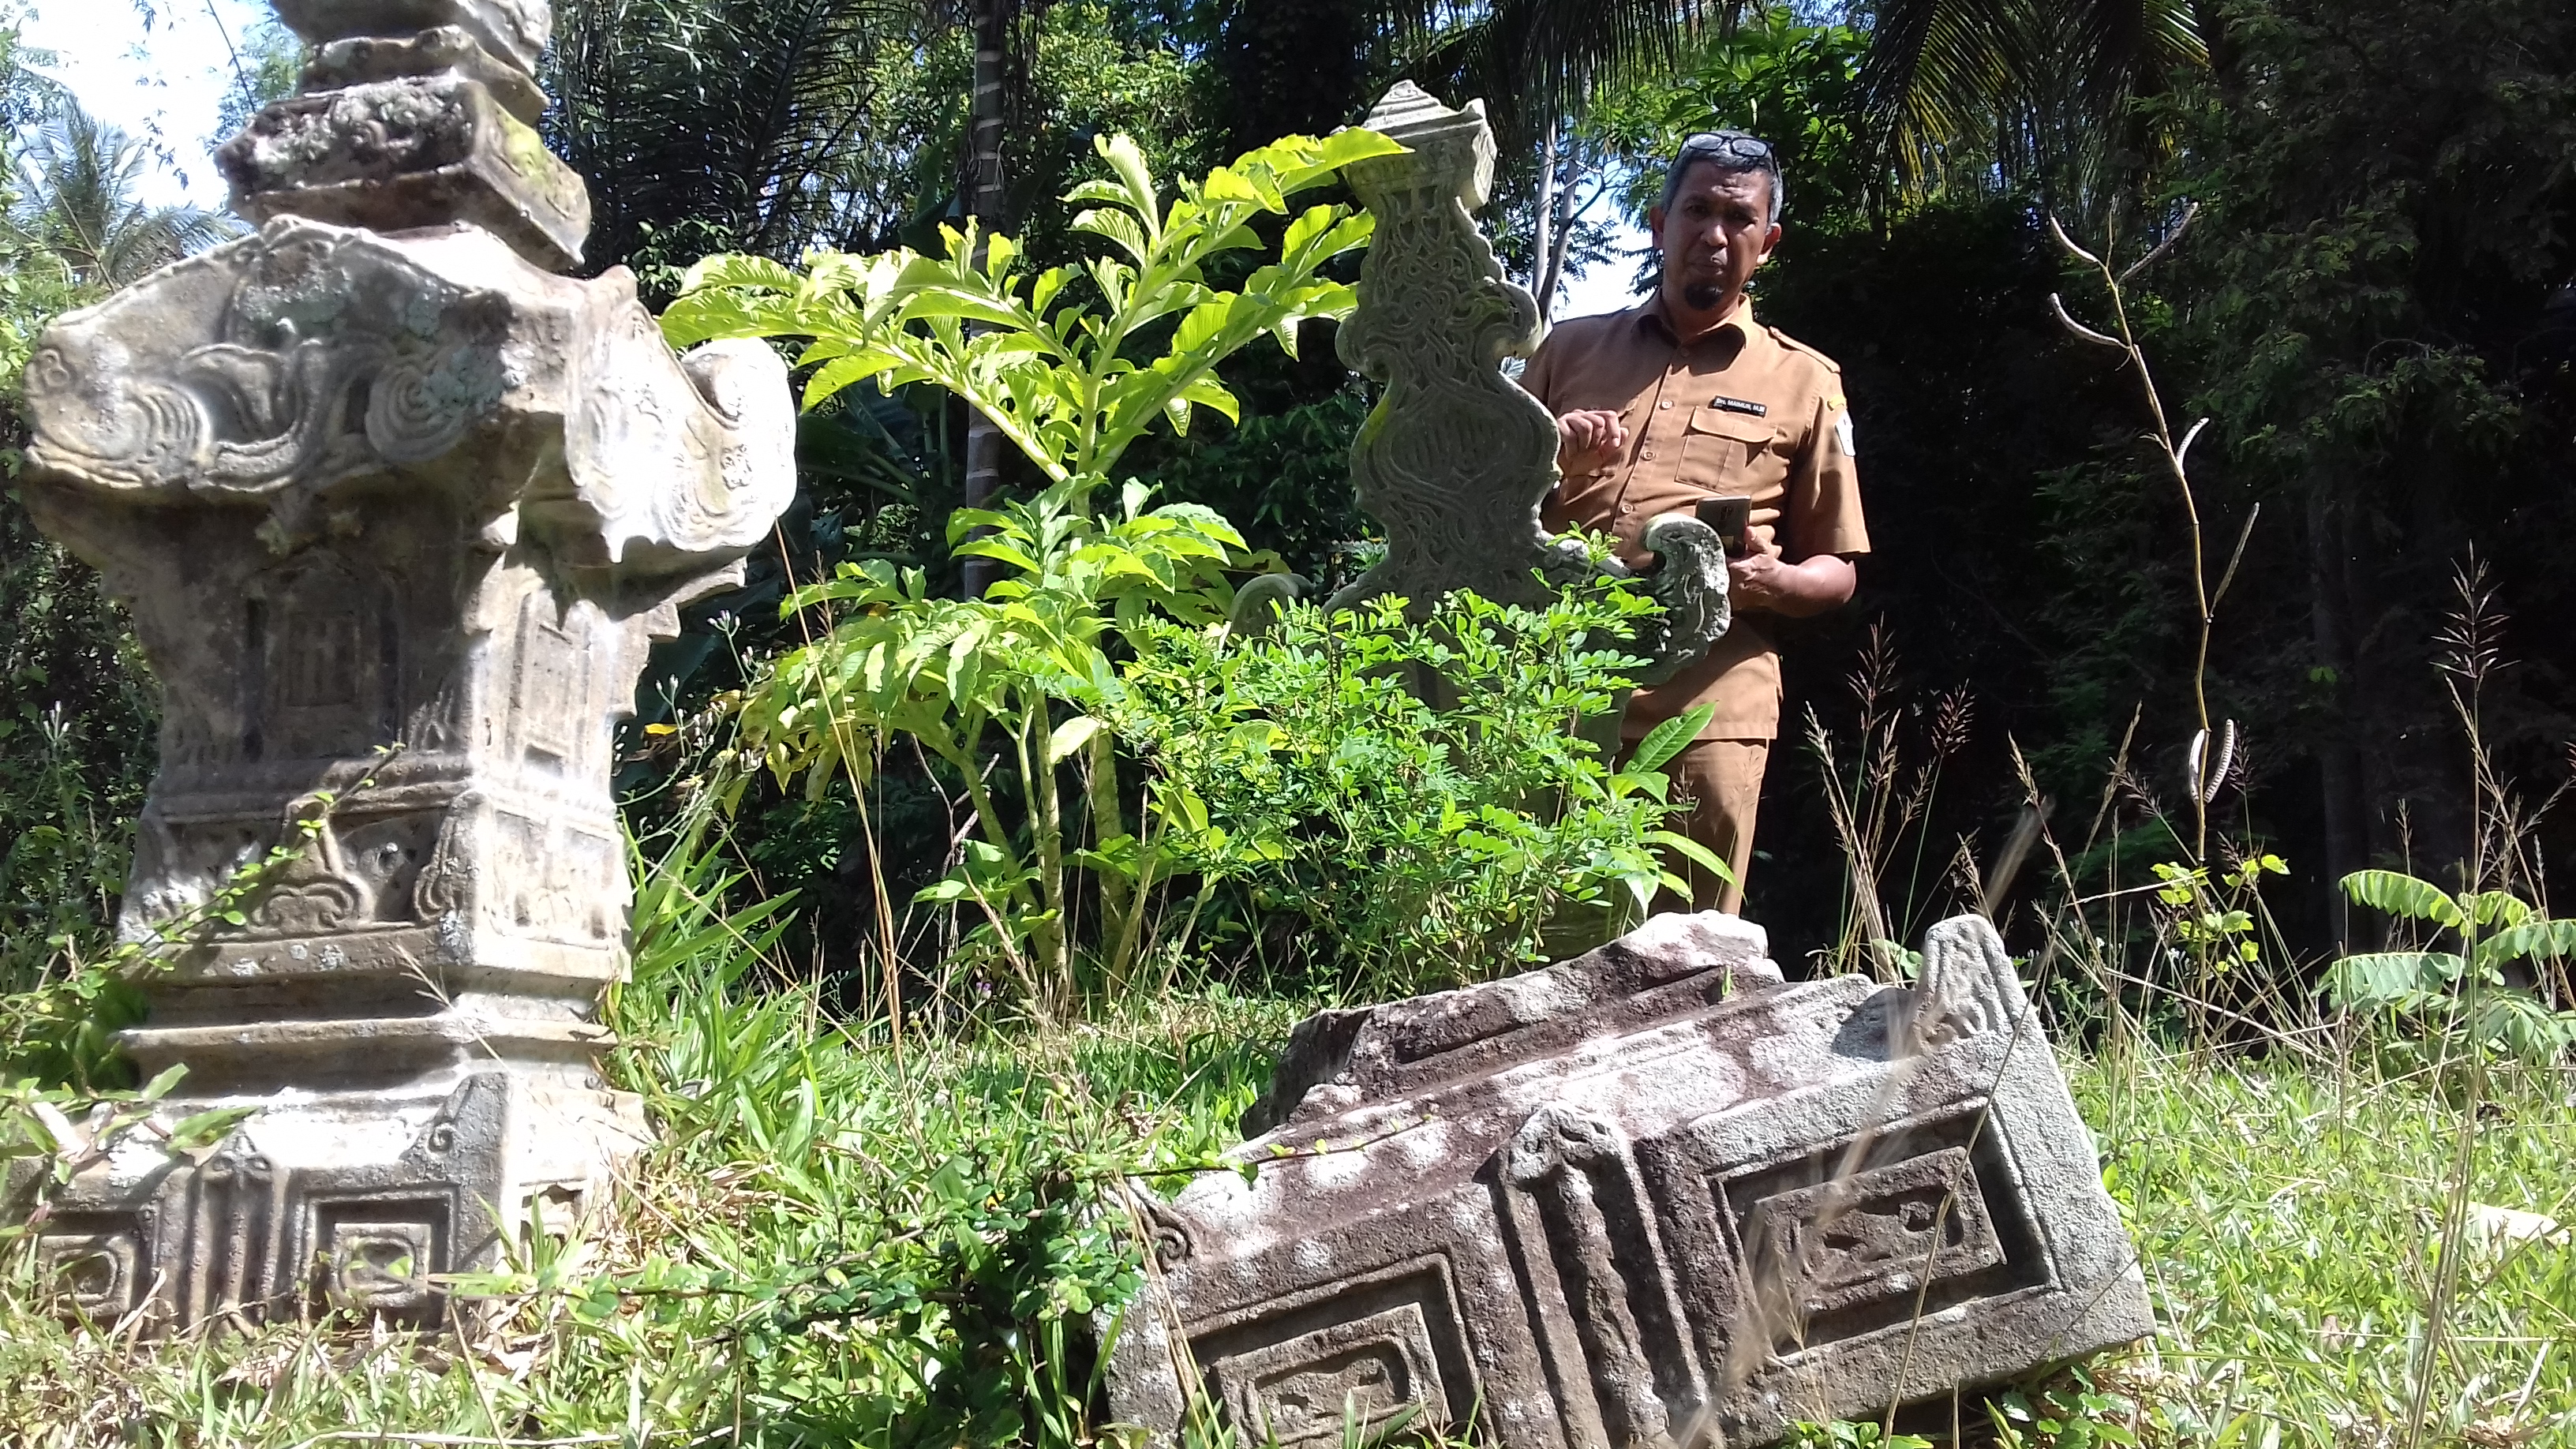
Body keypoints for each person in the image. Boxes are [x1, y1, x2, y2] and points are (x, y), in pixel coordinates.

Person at [1518, 130, 1869, 914]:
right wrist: (1556, 469)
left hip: (1710, 702)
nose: (1714, 236)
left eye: (1739, 219)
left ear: (1768, 242)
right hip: (1557, 684)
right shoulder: (1568, 351)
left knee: (1689, 945)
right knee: (1535, 921)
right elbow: (1483, 514)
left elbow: (1838, 567)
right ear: (1659, 224)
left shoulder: (1806, 381)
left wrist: (1776, 581)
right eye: (1697, 211)